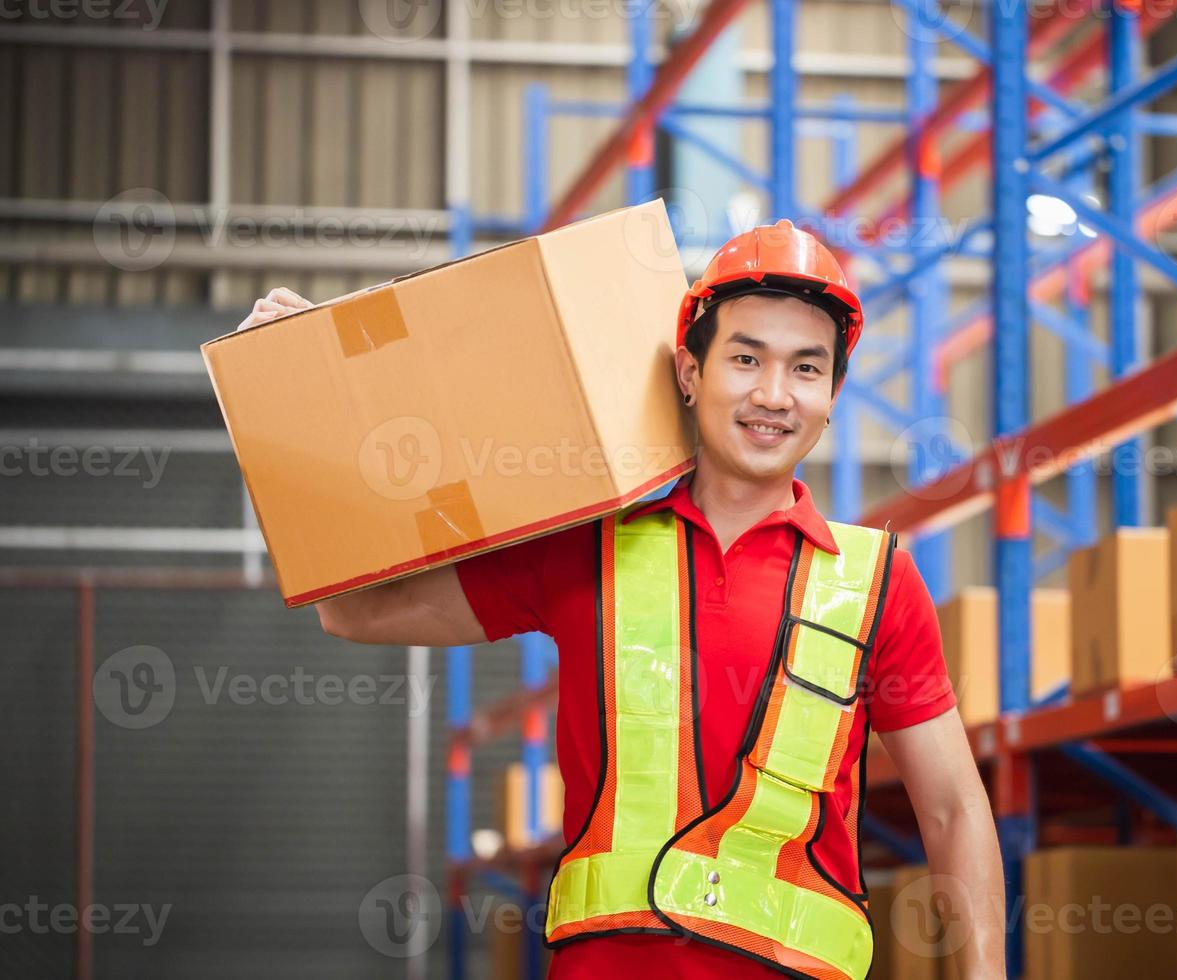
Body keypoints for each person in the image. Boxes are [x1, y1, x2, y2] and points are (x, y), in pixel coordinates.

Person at [238, 220, 1006, 979]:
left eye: (807, 369)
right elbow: (353, 609)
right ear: (689, 373)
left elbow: (954, 812)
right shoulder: (586, 546)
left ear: (833, 393)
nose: (774, 394)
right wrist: (299, 399)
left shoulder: (876, 582)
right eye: (745, 358)